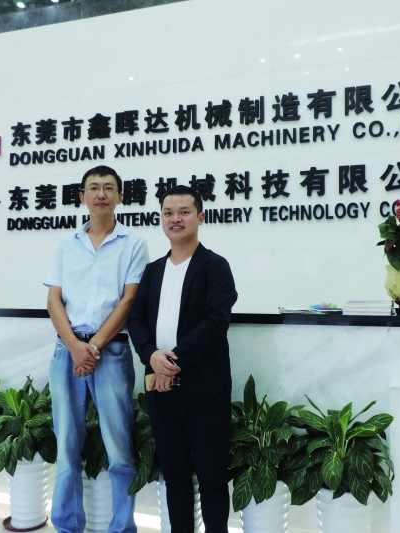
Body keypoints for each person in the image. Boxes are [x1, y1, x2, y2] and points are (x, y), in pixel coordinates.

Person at [44, 165, 149, 533]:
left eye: (108, 187)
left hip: (111, 353)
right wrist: (76, 347)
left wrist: (93, 347)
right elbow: (53, 300)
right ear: (82, 196)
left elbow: (129, 301)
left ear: (120, 196)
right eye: (93, 187)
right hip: (67, 352)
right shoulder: (66, 244)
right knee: (66, 448)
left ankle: (122, 528)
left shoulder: (133, 243)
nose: (101, 194)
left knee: (119, 450)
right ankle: (67, 526)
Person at [128, 185, 238, 533]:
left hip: (205, 391)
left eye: (184, 212)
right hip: (162, 393)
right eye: (168, 213)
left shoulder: (215, 266)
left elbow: (215, 322)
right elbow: (136, 321)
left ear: (200, 217)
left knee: (211, 477)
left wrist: (170, 361)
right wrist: (151, 356)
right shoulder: (152, 271)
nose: (175, 219)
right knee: (174, 476)